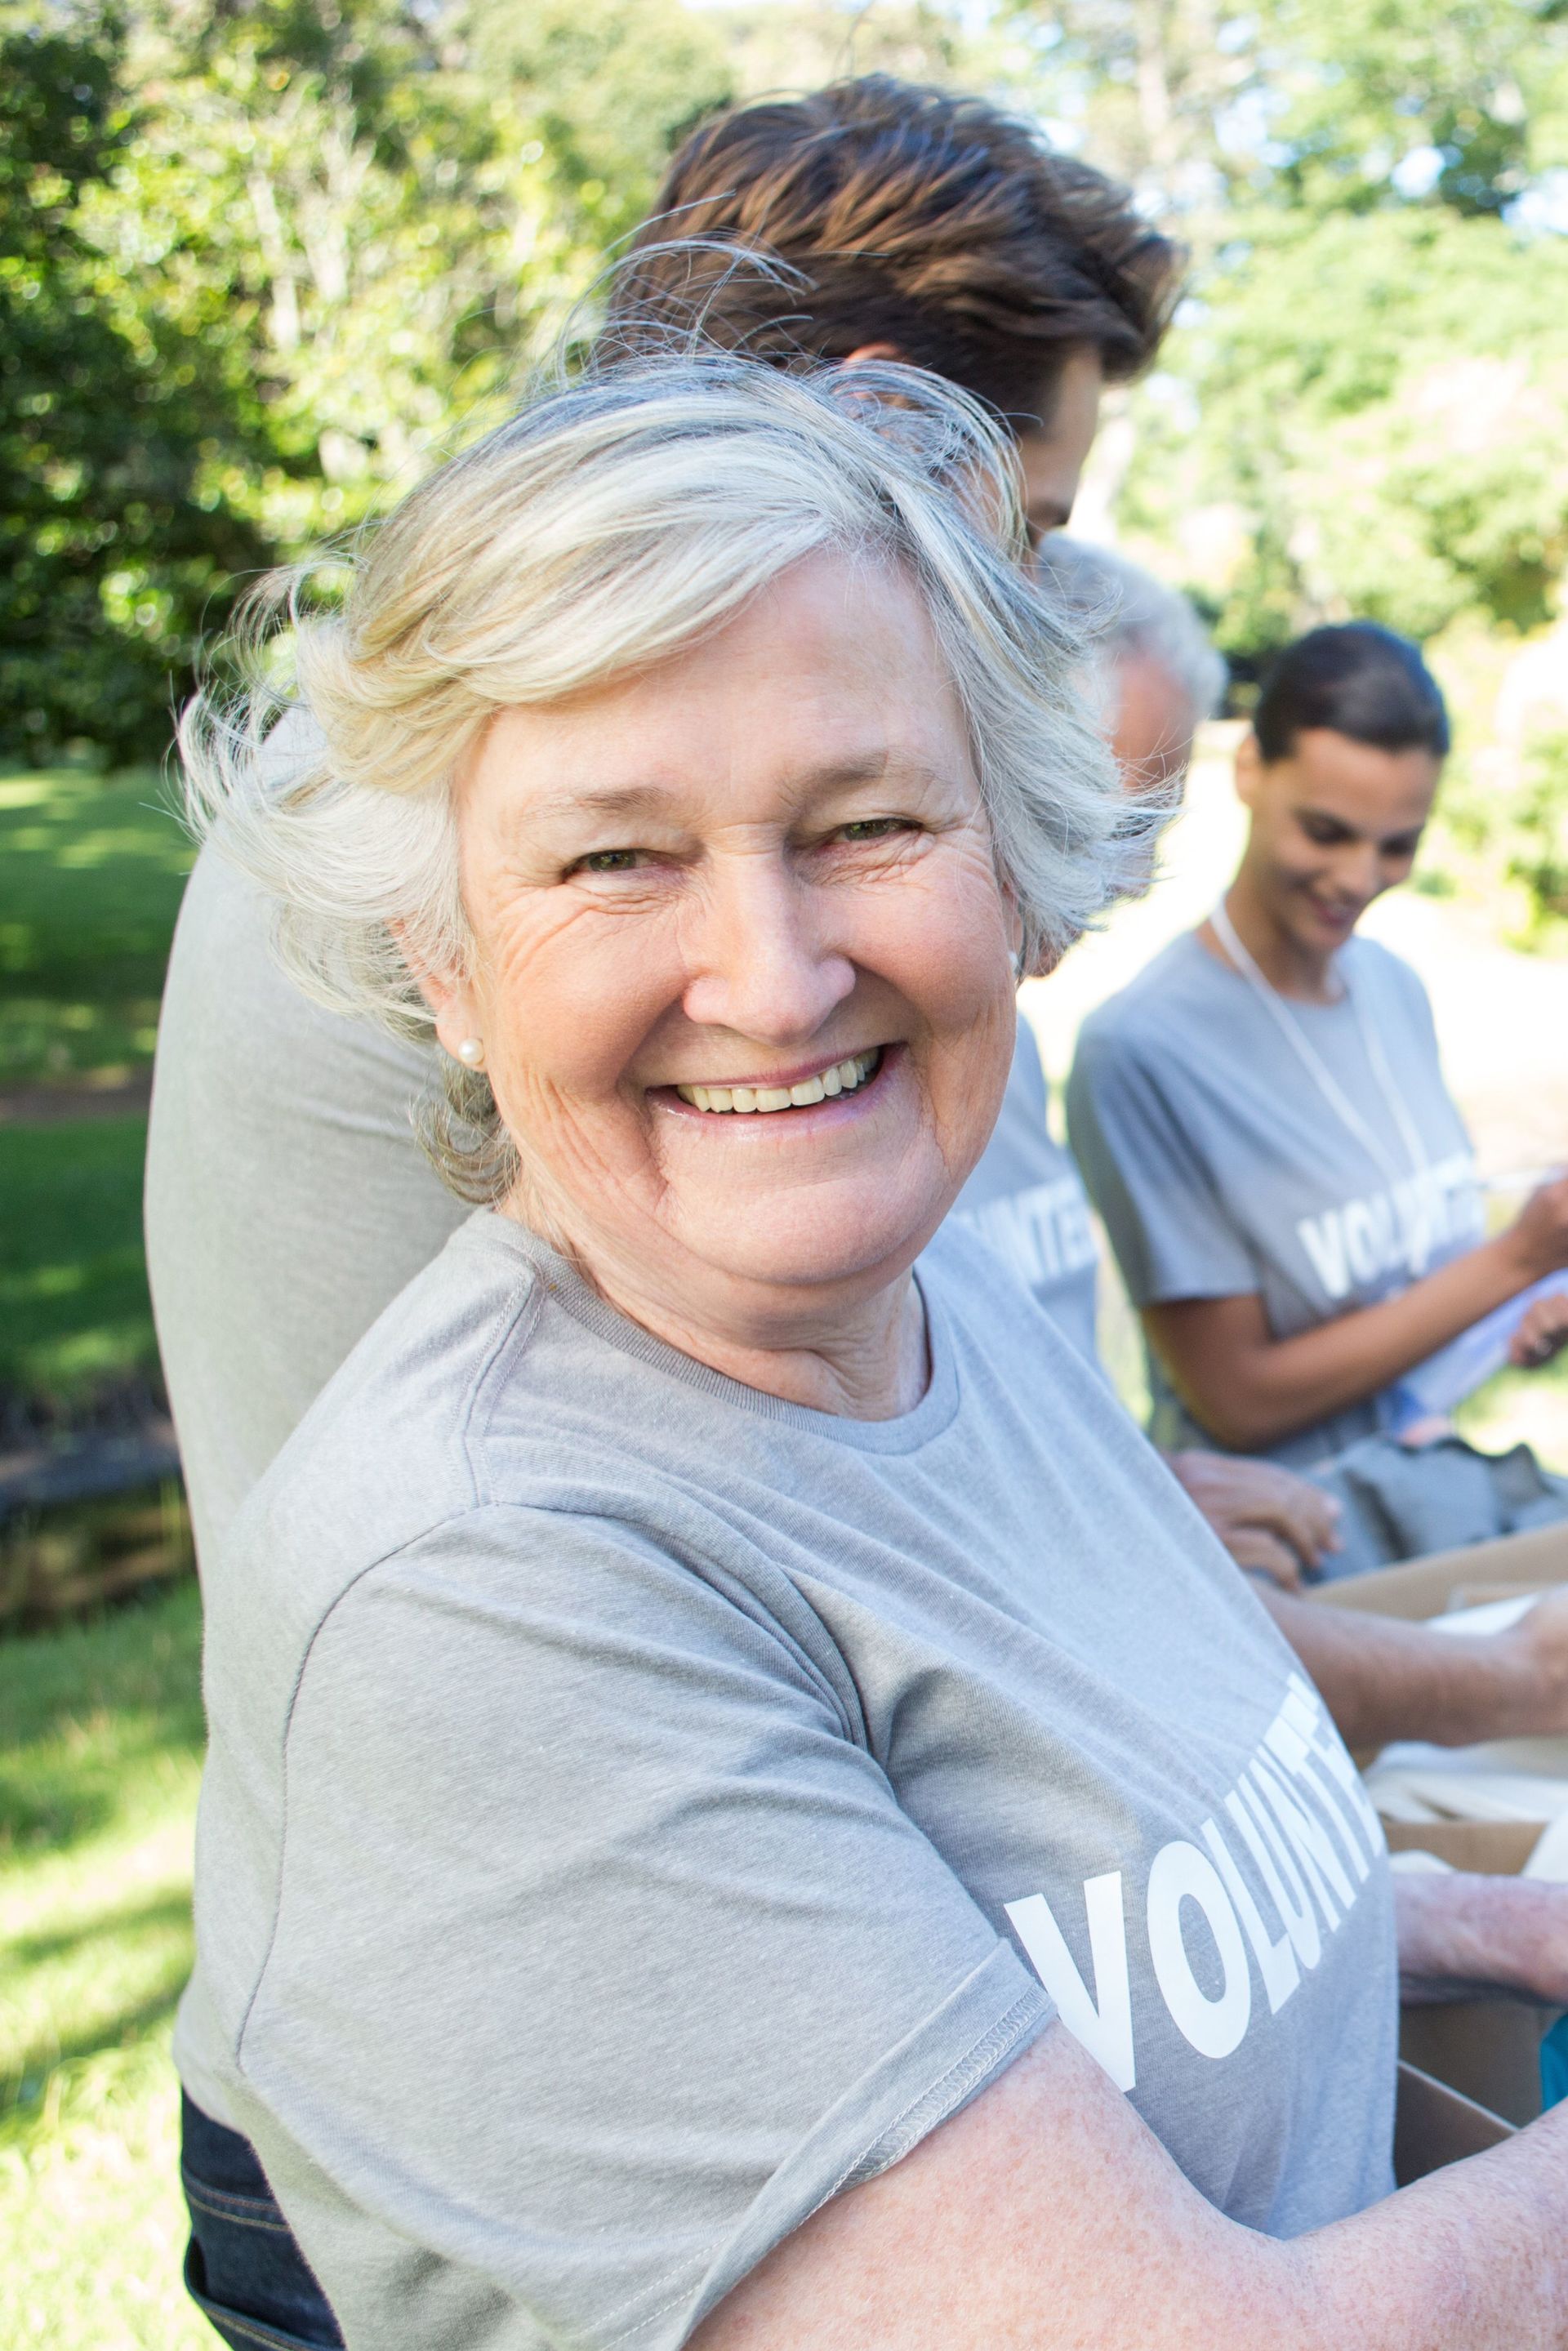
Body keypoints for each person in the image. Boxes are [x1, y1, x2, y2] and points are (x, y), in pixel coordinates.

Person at [178, 350, 1568, 2351]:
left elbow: (1112, 1912)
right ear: (446, 962)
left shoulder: (934, 1298)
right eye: (614, 856)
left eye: (868, 821)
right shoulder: (480, 1599)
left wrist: (1465, 1915)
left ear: (1011, 870)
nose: (771, 978)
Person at [1067, 621, 1568, 1552]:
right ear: (1249, 769)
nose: (1358, 878)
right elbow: (1239, 1399)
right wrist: (1516, 1261)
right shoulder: (1141, 1050)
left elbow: (1416, 1284)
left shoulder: (1392, 986)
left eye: (1397, 845)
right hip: (1295, 1545)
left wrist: (1528, 1309)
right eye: (1326, 832)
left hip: (1437, 1490)